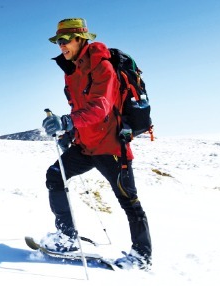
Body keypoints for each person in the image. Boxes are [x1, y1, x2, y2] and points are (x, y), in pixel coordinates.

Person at [40, 18, 152, 270]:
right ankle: (67, 237)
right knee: (54, 176)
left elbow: (101, 107)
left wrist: (68, 122)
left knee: (129, 201)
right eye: (58, 42)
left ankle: (142, 256)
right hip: (84, 145)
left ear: (81, 39)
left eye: (65, 40)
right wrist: (68, 131)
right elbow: (79, 107)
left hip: (111, 148)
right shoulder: (71, 71)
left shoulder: (103, 67)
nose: (61, 46)